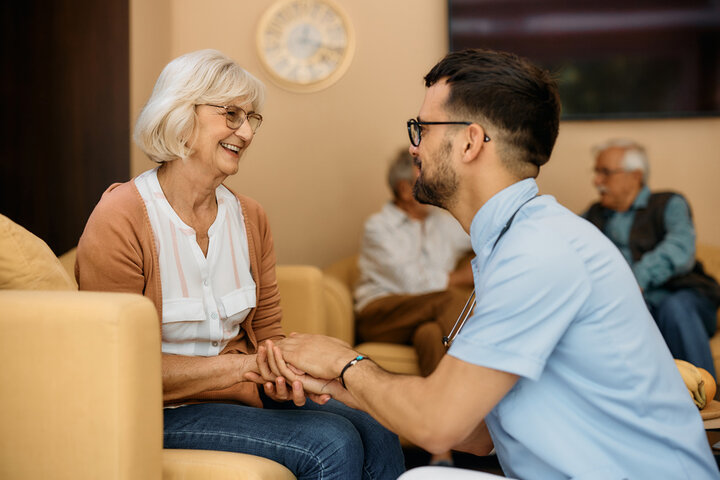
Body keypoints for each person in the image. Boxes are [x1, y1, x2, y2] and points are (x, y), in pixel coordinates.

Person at [250, 49, 719, 479]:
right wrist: (330, 381)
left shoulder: (538, 252)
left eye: (422, 129)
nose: (414, 147)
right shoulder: (516, 241)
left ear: (470, 142)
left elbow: (436, 425)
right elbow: (472, 434)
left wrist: (344, 359)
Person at [75, 49, 404, 480]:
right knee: (331, 443)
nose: (246, 132)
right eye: (232, 115)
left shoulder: (250, 218)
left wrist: (291, 373)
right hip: (157, 411)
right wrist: (245, 366)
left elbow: (267, 335)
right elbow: (119, 365)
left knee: (378, 422)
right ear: (180, 113)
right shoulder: (122, 216)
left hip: (240, 397)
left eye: (252, 119)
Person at [354, 148, 473, 466]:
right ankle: (476, 365)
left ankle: (440, 451)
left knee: (431, 334)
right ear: (406, 188)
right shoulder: (378, 227)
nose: (438, 185)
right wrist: (463, 276)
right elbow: (413, 284)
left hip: (427, 315)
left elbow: (485, 234)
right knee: (448, 300)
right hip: (382, 313)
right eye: (430, 177)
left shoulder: (442, 223)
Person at [584, 139, 720, 379]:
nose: (597, 181)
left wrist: (635, 280)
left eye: (605, 172)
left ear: (635, 176)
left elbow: (679, 250)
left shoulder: (669, 203)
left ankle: (709, 401)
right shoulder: (593, 214)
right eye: (596, 172)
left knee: (675, 308)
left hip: (686, 298)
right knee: (618, 314)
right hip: (634, 304)